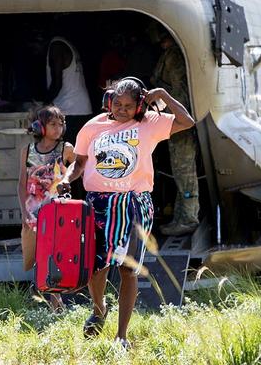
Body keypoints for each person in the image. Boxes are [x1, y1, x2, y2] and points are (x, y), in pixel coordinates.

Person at [58, 77, 195, 348]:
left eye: (129, 106)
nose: (122, 110)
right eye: (117, 103)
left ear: (140, 106)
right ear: (109, 101)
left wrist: (163, 95)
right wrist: (66, 180)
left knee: (128, 269)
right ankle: (99, 310)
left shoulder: (149, 124)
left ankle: (122, 335)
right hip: (99, 204)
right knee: (97, 266)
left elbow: (187, 121)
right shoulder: (92, 127)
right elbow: (80, 163)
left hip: (134, 204)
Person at [18, 106, 75, 311]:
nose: (58, 129)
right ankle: (45, 293)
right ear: (40, 127)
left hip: (57, 210)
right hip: (33, 211)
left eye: (61, 124)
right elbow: (21, 184)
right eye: (53, 124)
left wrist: (67, 178)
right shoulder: (28, 151)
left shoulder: (65, 148)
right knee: (37, 254)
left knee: (56, 253)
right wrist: (24, 212)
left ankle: (56, 301)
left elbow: (80, 164)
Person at [151, 32, 200, 236]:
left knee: (184, 171)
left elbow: (179, 90)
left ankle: (188, 218)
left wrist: (172, 119)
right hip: (175, 120)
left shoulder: (174, 56)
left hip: (178, 122)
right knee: (180, 171)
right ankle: (183, 217)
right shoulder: (171, 54)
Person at [45, 36, 92, 145]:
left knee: (67, 152)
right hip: (79, 108)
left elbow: (57, 83)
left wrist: (43, 106)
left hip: (70, 110)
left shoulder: (57, 46)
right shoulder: (68, 44)